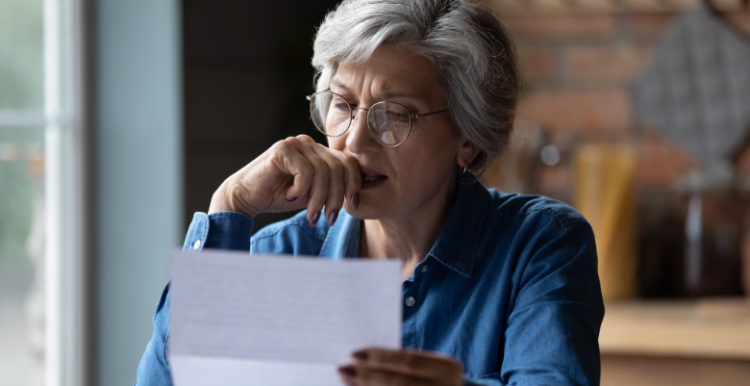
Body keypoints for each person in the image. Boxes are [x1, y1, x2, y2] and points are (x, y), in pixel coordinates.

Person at [135, 0, 604, 385]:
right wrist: (230, 205)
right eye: (342, 105)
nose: (354, 142)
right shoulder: (280, 255)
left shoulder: (540, 244)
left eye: (395, 114)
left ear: (469, 137)